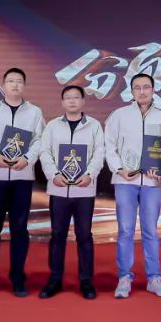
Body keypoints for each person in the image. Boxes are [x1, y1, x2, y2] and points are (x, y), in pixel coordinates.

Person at [0, 67, 45, 297]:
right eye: (11, 81)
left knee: (20, 229)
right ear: (3, 85)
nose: (15, 85)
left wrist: (27, 158)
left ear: (24, 85)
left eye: (19, 81)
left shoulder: (34, 112)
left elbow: (39, 140)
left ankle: (18, 278)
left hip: (22, 177)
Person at [104, 73, 161, 299]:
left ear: (153, 89)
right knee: (125, 230)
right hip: (125, 180)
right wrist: (118, 168)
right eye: (137, 88)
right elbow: (109, 145)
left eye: (146, 87)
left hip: (152, 182)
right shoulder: (119, 115)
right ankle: (124, 277)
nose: (142, 91)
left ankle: (154, 278)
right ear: (131, 91)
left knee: (150, 230)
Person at [38, 86, 105, 300]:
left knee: (84, 236)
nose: (72, 101)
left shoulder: (94, 126)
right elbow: (44, 152)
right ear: (62, 102)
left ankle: (86, 281)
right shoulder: (52, 126)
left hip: (84, 189)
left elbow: (99, 153)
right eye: (68, 98)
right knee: (57, 235)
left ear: (83, 101)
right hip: (59, 188)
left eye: (76, 97)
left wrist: (90, 174)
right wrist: (53, 175)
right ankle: (55, 279)